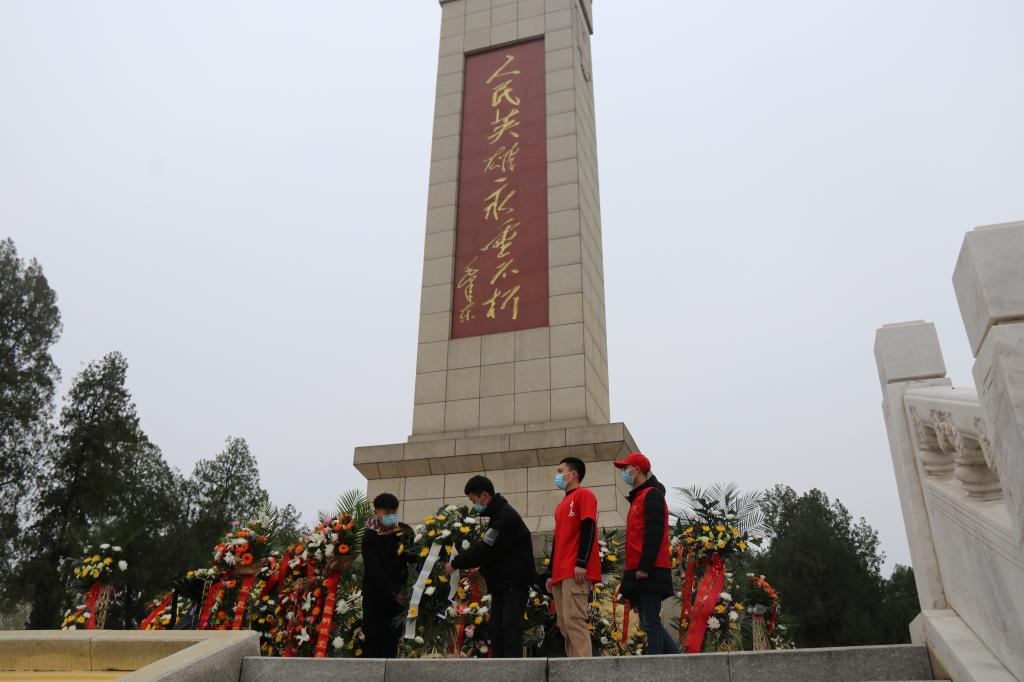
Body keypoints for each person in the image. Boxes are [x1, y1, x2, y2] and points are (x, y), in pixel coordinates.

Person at [445, 475, 535, 657]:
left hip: (514, 584)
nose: (474, 505)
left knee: (509, 631)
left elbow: (485, 549)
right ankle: (500, 668)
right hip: (503, 584)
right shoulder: (497, 516)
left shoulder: (504, 517)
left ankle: (512, 670)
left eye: (473, 500)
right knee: (497, 631)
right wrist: (482, 572)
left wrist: (455, 563)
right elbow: (499, 552)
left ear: (484, 496)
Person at [614, 452, 679, 655]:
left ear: (637, 470)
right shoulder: (639, 497)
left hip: (650, 570)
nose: (624, 473)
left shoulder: (652, 495)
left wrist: (644, 566)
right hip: (640, 570)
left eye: (626, 468)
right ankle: (678, 661)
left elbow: (654, 533)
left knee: (650, 622)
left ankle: (655, 668)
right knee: (649, 622)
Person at [545, 457, 601, 657]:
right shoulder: (561, 505)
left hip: (574, 570)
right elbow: (558, 541)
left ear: (573, 474)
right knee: (564, 624)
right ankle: (573, 667)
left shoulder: (585, 495)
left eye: (561, 471)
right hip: (560, 572)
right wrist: (550, 573)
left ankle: (584, 669)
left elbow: (588, 527)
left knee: (575, 620)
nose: (558, 475)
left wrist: (581, 562)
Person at [361, 493, 413, 658]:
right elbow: (374, 569)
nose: (390, 516)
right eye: (386, 512)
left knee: (392, 639)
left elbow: (413, 557)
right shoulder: (369, 536)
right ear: (376, 512)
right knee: (373, 637)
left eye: (393, 512)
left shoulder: (404, 531)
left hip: (398, 597)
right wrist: (393, 592)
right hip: (375, 596)